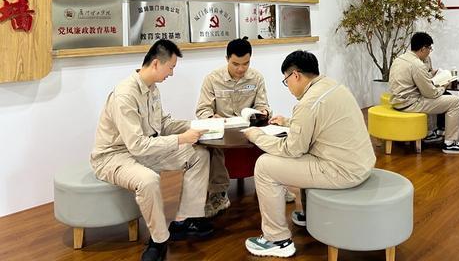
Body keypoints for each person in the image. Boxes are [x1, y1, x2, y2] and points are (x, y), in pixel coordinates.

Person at [242, 50, 376, 258]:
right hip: (361, 162)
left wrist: (256, 136)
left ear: (295, 75)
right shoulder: (332, 86)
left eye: (286, 81)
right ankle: (308, 214)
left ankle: (277, 240)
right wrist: (287, 122)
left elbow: (292, 149)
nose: (288, 87)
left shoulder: (308, 103)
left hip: (342, 171)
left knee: (264, 165)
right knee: (300, 153)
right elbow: (317, 123)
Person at [90, 40, 213, 261]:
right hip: (114, 157)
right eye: (171, 67)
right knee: (148, 180)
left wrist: (197, 125)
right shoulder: (125, 95)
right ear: (156, 63)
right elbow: (137, 144)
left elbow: (162, 124)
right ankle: (159, 240)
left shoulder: (152, 89)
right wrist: (181, 139)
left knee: (199, 155)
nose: (172, 73)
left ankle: (185, 220)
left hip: (144, 151)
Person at [195, 37, 271, 217]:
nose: (241, 69)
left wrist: (263, 112)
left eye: (246, 63)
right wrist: (211, 117)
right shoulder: (212, 79)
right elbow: (202, 110)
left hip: (248, 128)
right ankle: (218, 194)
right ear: (227, 59)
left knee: (273, 133)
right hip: (223, 129)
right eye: (236, 64)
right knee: (214, 145)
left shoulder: (256, 78)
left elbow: (263, 104)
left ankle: (274, 184)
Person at [388, 32, 459, 154]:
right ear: (423, 48)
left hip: (397, 101)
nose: (430, 52)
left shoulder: (400, 59)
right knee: (455, 101)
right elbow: (431, 94)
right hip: (410, 104)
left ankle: (430, 133)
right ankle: (451, 143)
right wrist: (443, 86)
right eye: (429, 48)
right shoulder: (417, 64)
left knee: (432, 97)